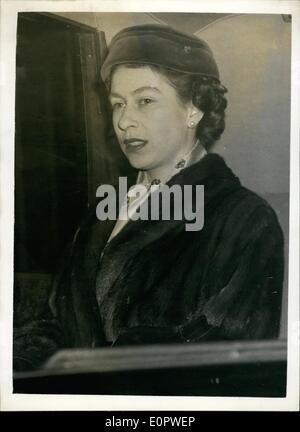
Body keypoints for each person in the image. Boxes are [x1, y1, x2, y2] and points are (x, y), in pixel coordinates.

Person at [13, 24, 284, 370]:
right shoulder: (103, 211)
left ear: (194, 109)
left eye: (145, 101)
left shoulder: (244, 221)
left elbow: (223, 360)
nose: (124, 121)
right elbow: (55, 324)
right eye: (117, 104)